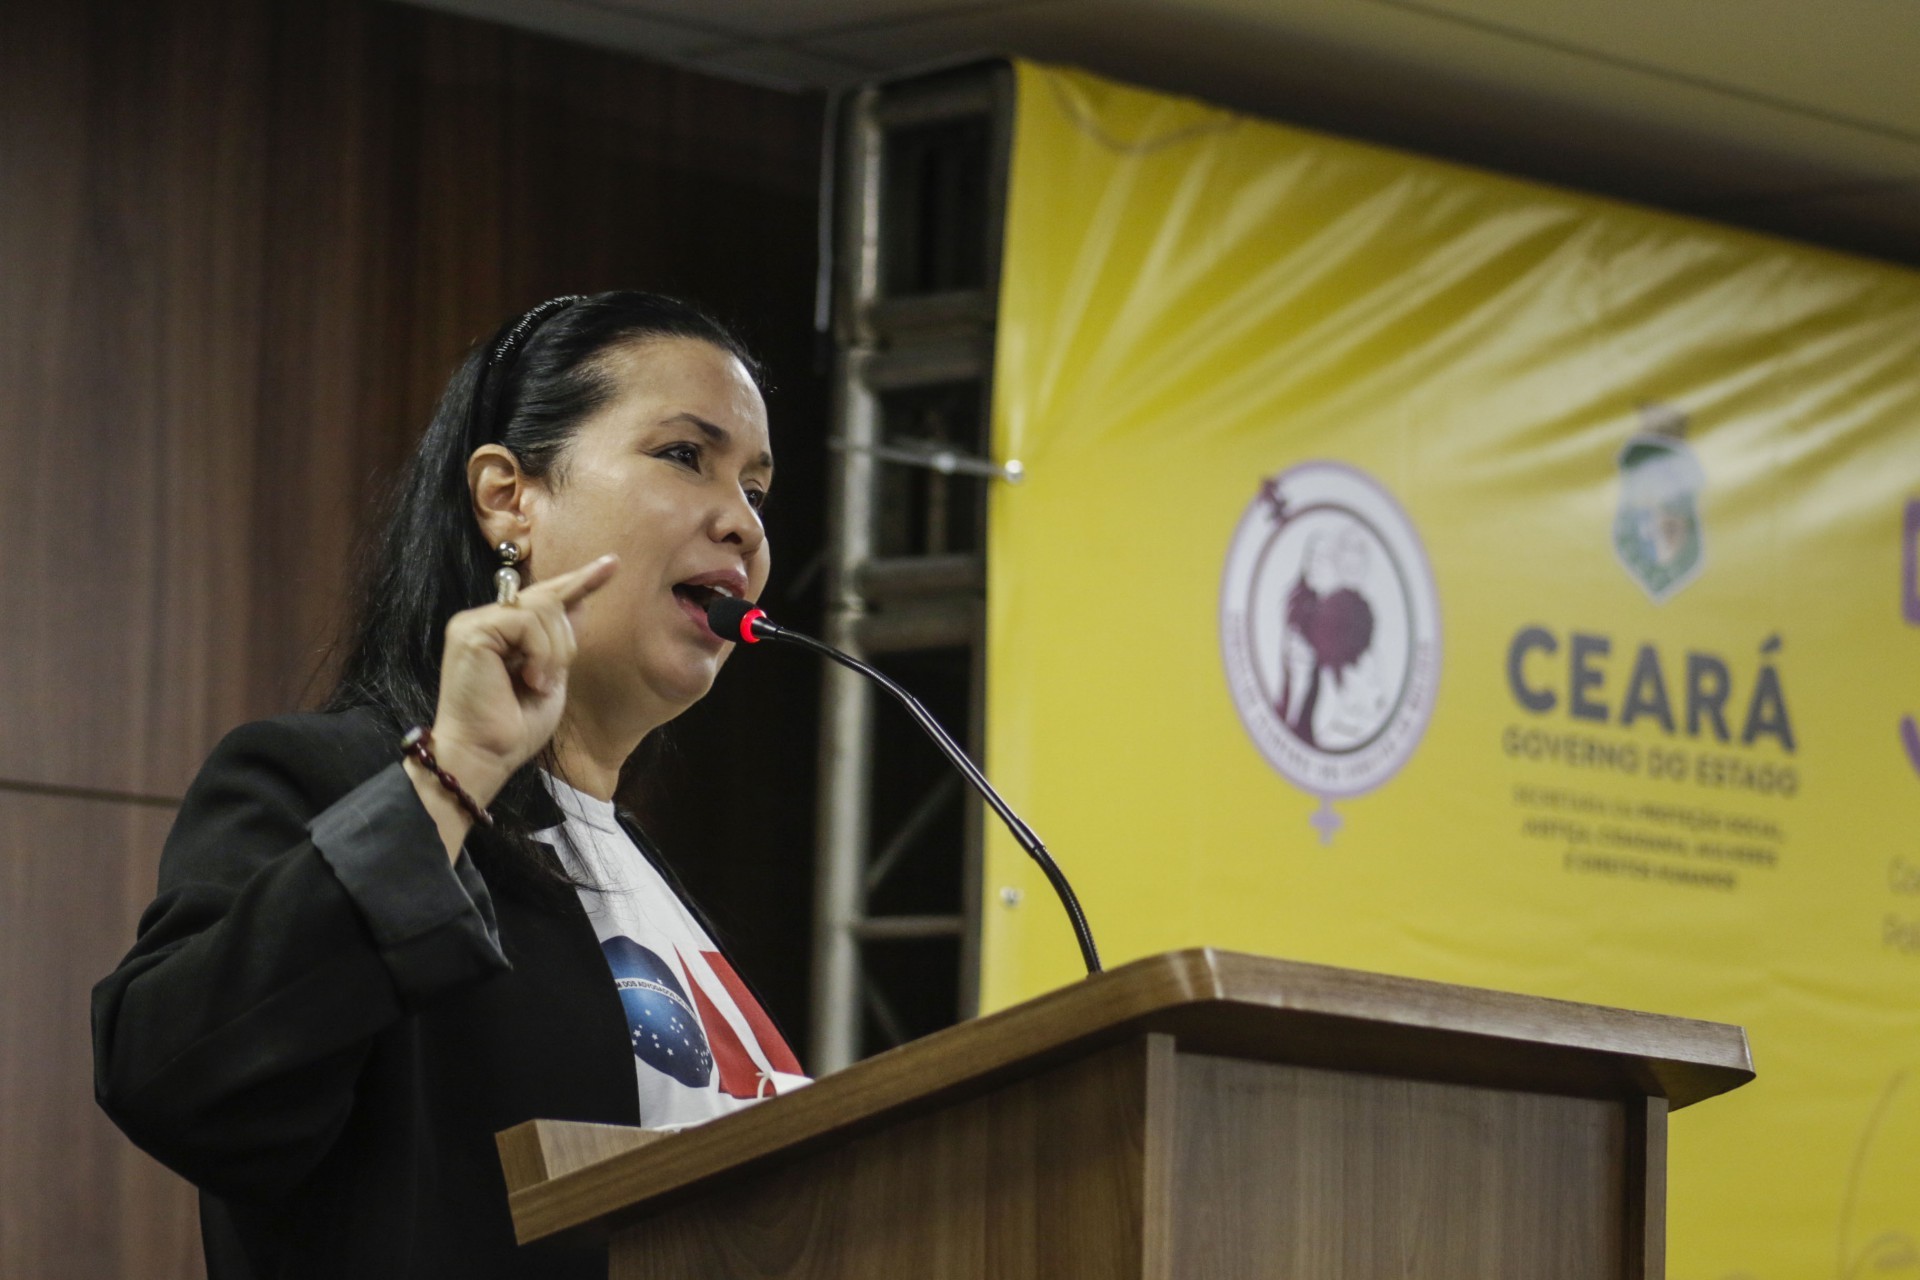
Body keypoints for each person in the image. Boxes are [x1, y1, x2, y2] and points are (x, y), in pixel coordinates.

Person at [91, 292, 806, 1280]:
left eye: (757, 490)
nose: (743, 525)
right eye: (685, 455)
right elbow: (174, 1079)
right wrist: (455, 773)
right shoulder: (326, 782)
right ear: (509, 496)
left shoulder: (648, 878)